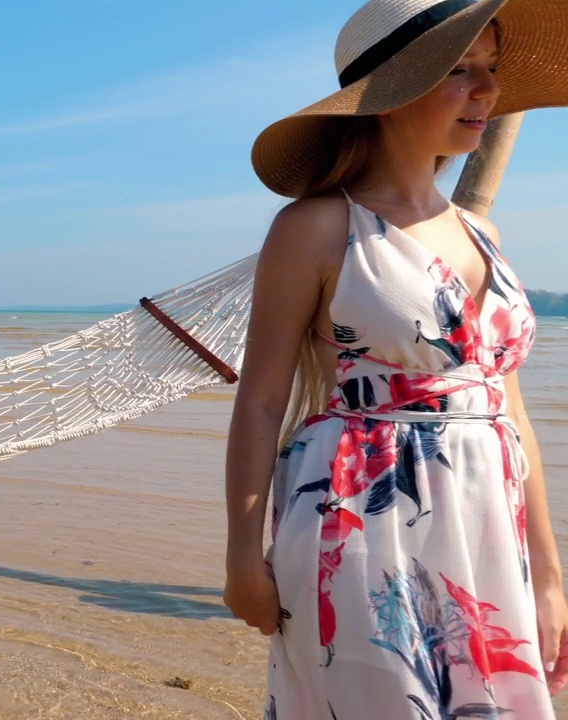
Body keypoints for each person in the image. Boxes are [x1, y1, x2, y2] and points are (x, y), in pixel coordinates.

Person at [222, 0, 568, 716]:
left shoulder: (481, 230)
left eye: (492, 69)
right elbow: (260, 400)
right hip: (359, 518)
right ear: (385, 99)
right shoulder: (315, 227)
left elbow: (507, 409)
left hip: (489, 522)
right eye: (460, 70)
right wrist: (240, 556)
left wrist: (549, 574)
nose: (489, 91)